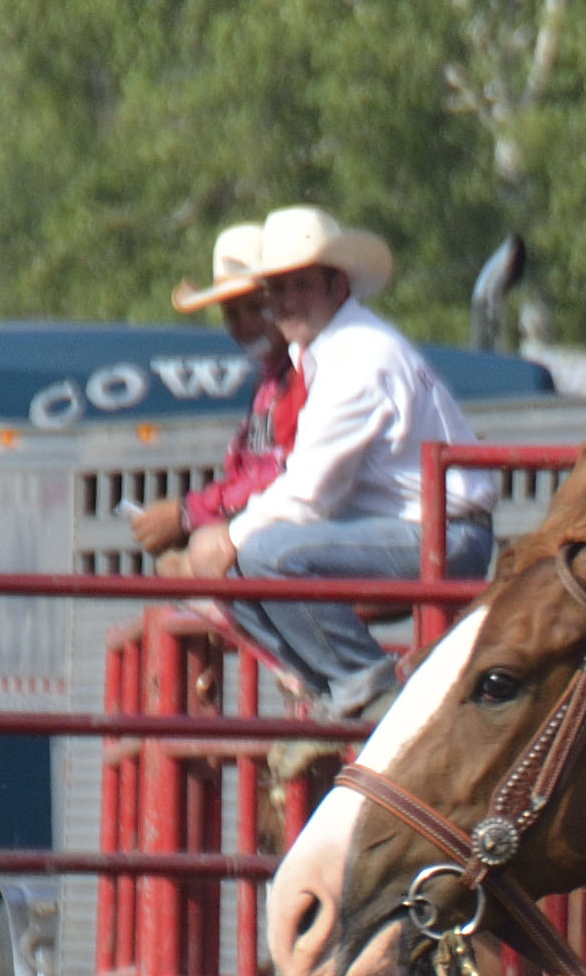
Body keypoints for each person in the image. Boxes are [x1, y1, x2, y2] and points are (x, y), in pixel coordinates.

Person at [187, 205, 493, 721]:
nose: (286, 302)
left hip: (445, 535)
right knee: (243, 559)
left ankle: (371, 693)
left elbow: (310, 492)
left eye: (300, 285)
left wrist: (228, 537)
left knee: (262, 556)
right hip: (414, 527)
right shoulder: (334, 351)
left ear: (337, 285)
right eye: (277, 290)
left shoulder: (356, 359)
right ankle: (330, 690)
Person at [134, 221, 305, 573]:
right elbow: (248, 471)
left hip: (297, 538)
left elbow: (282, 472)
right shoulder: (270, 379)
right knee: (177, 568)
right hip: (272, 534)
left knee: (189, 565)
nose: (243, 326)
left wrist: (187, 515)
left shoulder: (304, 373)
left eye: (256, 309)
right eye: (231, 314)